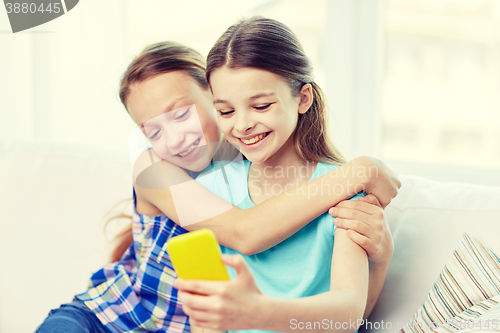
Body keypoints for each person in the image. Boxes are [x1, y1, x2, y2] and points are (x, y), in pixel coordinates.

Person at [34, 40, 399, 333]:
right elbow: (245, 231)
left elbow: (348, 314)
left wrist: (379, 257)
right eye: (153, 130)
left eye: (181, 114)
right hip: (104, 320)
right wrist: (360, 171)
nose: (175, 139)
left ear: (213, 95)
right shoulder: (152, 168)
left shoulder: (248, 163)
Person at [174, 17, 389, 333]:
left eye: (260, 106)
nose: (242, 124)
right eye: (226, 111)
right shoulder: (211, 188)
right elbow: (207, 320)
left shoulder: (345, 190)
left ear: (302, 99)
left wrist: (258, 311)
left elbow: (348, 313)